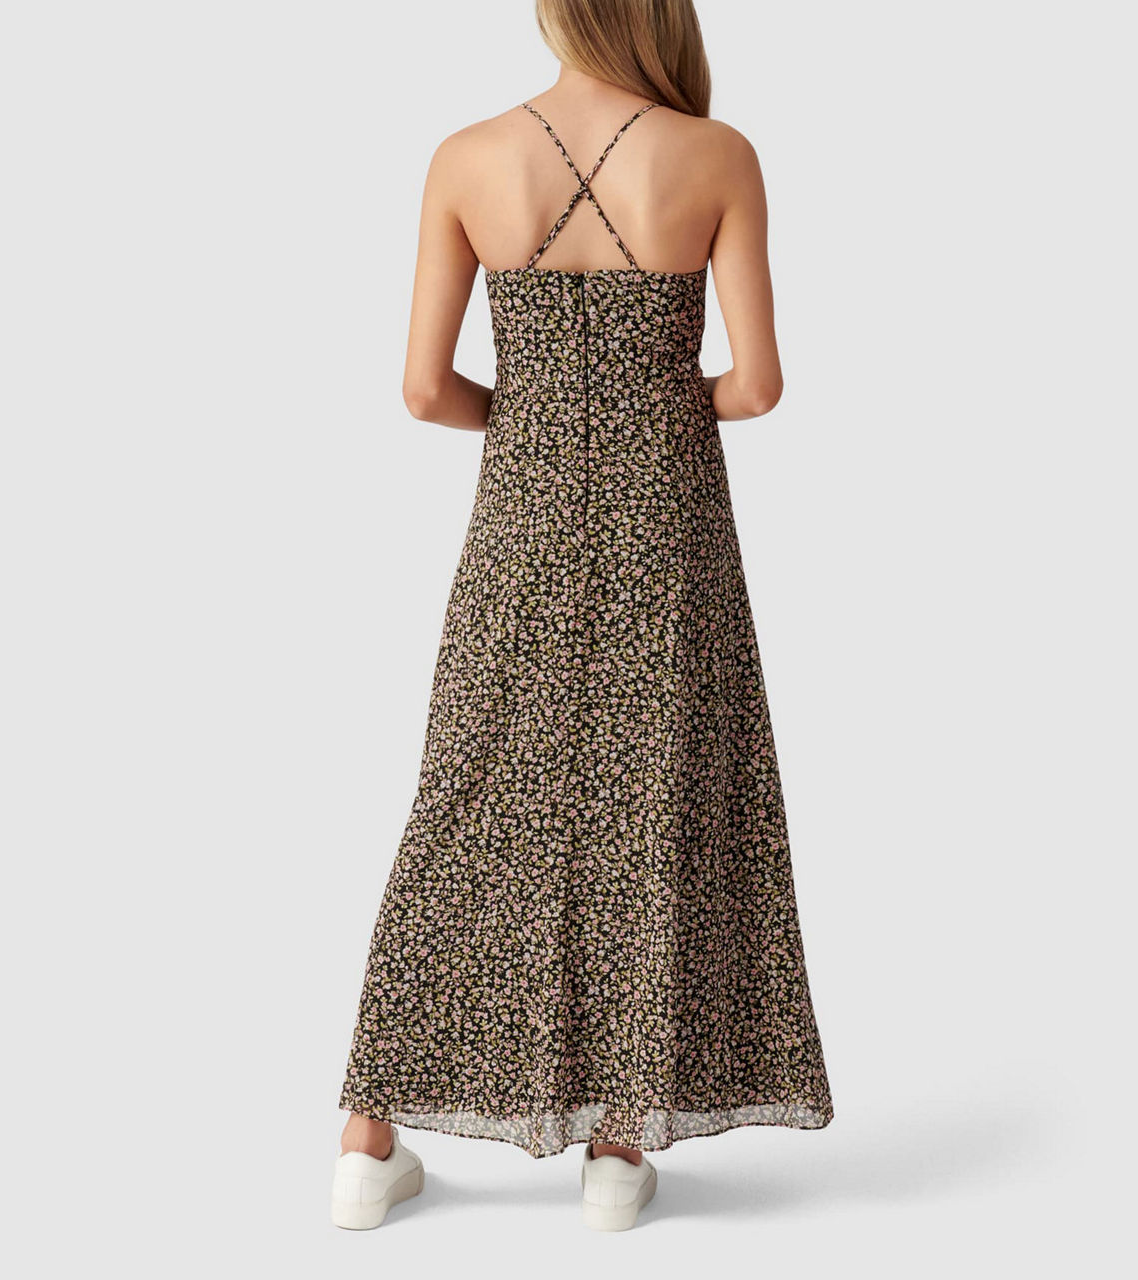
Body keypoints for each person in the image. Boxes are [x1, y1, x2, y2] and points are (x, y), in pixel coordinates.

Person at [331, 0, 833, 1232]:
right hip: (670, 527)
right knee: (651, 798)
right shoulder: (715, 156)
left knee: (468, 795)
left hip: (523, 520)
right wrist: (656, 402)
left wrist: (540, 418)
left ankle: (365, 1142)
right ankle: (616, 1149)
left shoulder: (466, 156)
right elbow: (757, 385)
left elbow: (422, 389)